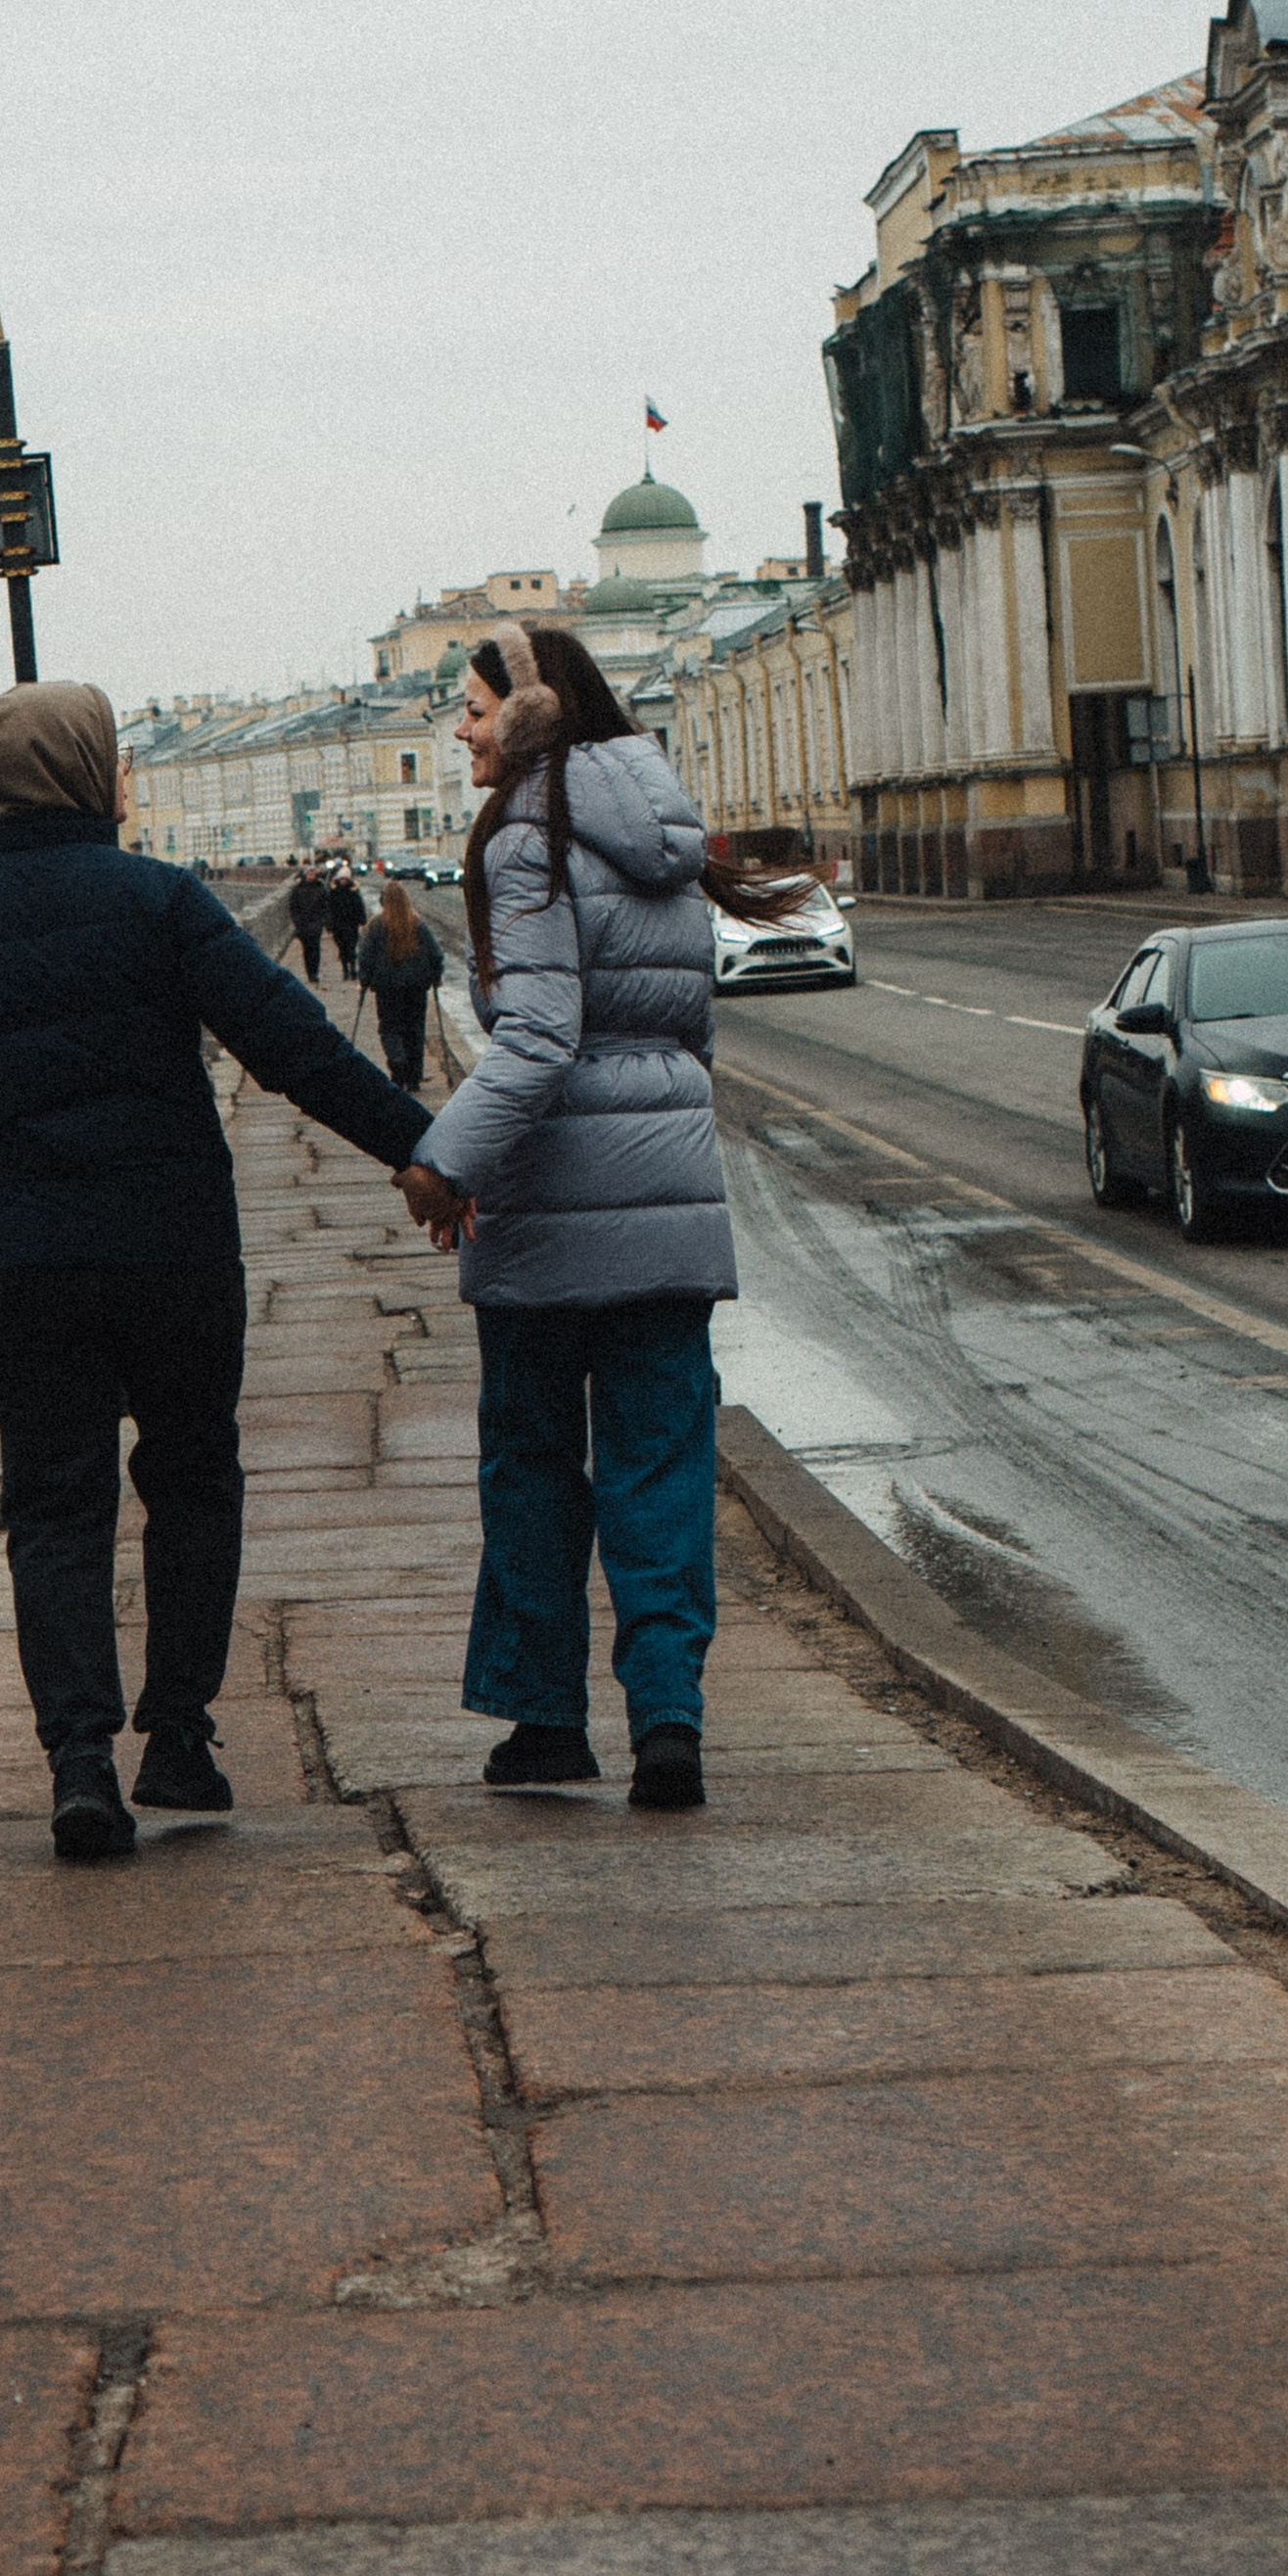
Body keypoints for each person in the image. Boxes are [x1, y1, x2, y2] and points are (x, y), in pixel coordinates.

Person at [0, 682, 439, 1862]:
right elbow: (290, 1048)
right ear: (92, 771)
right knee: (192, 1478)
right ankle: (177, 1735)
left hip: (29, 1262)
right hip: (174, 1245)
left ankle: (79, 1763)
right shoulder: (162, 900)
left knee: (55, 1507)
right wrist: (423, 1150)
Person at [391, 621, 759, 1815]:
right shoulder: (660, 827)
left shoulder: (530, 836)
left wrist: (444, 1162)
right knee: (661, 1465)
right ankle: (668, 1722)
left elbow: (541, 1040)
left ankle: (546, 1720)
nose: (462, 728)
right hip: (669, 1194)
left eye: (475, 706)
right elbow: (679, 1038)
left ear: (531, 711)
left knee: (535, 1465)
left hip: (551, 1209)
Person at [356, 878, 445, 1092]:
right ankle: (414, 1078)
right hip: (415, 987)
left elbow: (365, 957)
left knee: (390, 1028)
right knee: (414, 1030)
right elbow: (436, 954)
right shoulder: (418, 925)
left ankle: (398, 1064)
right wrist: (436, 975)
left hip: (387, 988)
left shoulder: (375, 926)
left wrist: (363, 980)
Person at [287, 861, 331, 981]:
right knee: (307, 949)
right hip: (302, 924)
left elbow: (326, 906)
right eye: (309, 873)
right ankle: (309, 972)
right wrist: (296, 920)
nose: (311, 875)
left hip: (316, 923)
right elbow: (293, 906)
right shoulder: (298, 889)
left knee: (315, 948)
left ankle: (314, 972)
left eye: (313, 873)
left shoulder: (321, 888)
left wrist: (323, 921)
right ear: (306, 875)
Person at [326, 861, 368, 972]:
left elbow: (360, 907)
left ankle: (353, 968)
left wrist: (363, 921)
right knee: (342, 947)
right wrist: (329, 924)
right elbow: (329, 909)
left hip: (351, 924)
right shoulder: (334, 893)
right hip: (338, 925)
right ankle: (345, 968)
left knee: (352, 947)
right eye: (342, 879)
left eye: (345, 879)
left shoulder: (354, 892)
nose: (343, 881)